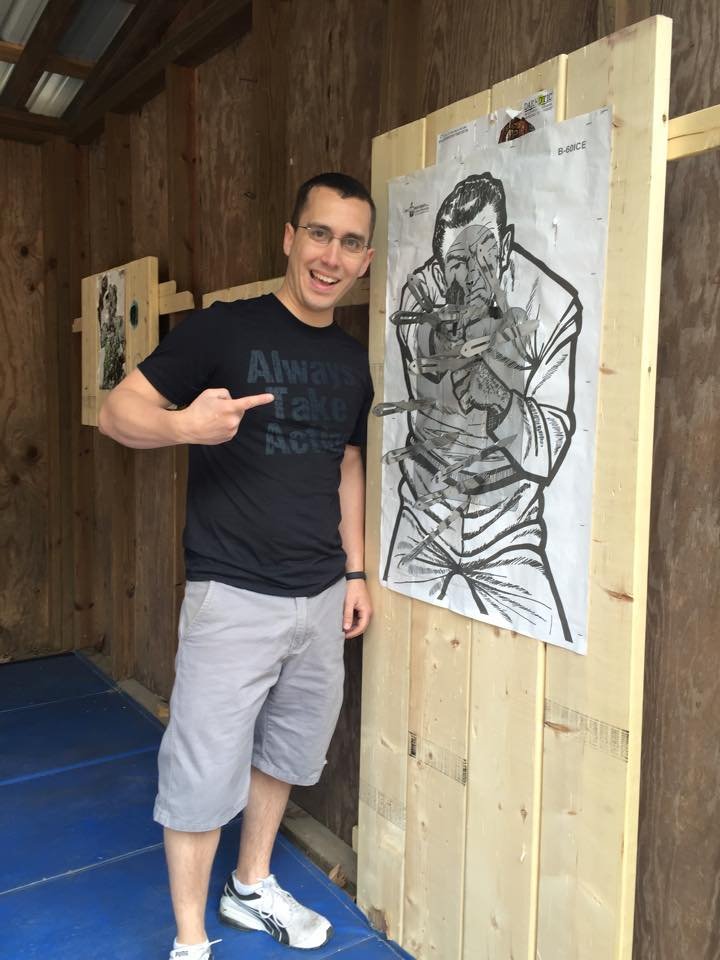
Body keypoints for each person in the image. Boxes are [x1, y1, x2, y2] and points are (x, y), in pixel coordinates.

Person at [98, 173, 375, 960]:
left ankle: (251, 885)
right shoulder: (226, 329)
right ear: (290, 238)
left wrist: (356, 572)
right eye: (318, 234)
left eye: (350, 242)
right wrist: (184, 426)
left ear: (365, 260)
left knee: (287, 750)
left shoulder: (351, 361)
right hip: (232, 593)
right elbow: (119, 411)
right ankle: (191, 940)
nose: (331, 256)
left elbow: (347, 463)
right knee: (200, 771)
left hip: (320, 594)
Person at [382, 172, 581, 646]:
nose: (471, 275)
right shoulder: (420, 291)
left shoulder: (553, 303)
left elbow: (553, 444)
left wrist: (503, 403)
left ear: (506, 245)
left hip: (507, 527)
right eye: (456, 261)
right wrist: (448, 342)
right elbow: (419, 352)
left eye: (485, 254)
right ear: (438, 265)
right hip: (424, 511)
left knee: (550, 639)